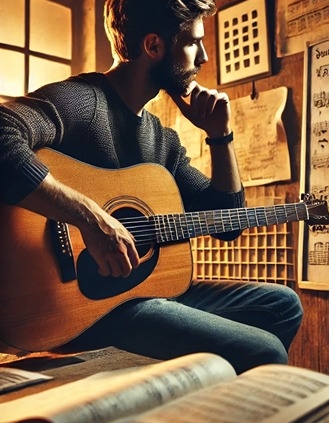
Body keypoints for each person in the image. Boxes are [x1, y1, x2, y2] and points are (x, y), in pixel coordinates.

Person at [0, 0, 303, 374]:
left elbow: (227, 224)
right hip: (80, 306)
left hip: (140, 293)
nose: (205, 57)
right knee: (266, 351)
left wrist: (220, 136)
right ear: (154, 47)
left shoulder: (163, 141)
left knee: (284, 305)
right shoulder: (82, 101)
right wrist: (91, 219)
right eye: (194, 42)